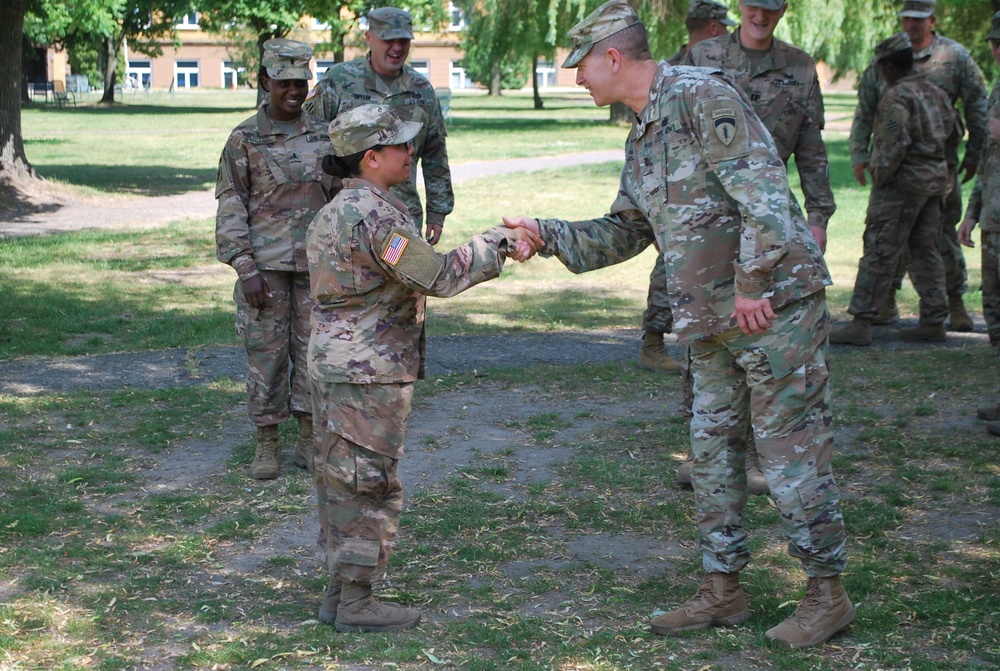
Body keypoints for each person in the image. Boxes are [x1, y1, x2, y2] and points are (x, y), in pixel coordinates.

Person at [503, 0, 852, 649]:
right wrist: (545, 235)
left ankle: (828, 595)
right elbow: (627, 231)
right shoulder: (641, 135)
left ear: (611, 57)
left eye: (579, 64)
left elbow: (767, 192)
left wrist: (751, 285)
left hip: (772, 308)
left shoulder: (698, 95)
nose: (575, 77)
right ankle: (723, 588)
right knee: (713, 453)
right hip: (712, 321)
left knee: (789, 456)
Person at [306, 104, 540, 632]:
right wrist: (497, 241)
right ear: (371, 158)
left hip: (339, 366)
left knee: (341, 479)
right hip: (368, 372)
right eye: (400, 145)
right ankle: (357, 603)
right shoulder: (374, 217)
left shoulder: (336, 210)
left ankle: (341, 592)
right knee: (368, 482)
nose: (411, 152)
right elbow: (436, 275)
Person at [681, 0, 834, 495]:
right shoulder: (700, 55)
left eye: (770, 7)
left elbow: (810, 145)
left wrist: (818, 216)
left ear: (782, 10)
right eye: (752, 5)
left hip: (766, 220)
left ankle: (764, 455)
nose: (760, 15)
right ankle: (709, 451)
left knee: (764, 332)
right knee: (706, 334)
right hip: (705, 219)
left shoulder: (799, 66)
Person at [215, 38, 334, 480]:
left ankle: (307, 439)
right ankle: (267, 443)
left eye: (301, 81)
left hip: (317, 269)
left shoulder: (325, 135)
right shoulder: (244, 139)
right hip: (264, 271)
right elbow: (231, 206)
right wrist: (245, 268)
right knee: (265, 355)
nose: (294, 90)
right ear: (264, 81)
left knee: (312, 354)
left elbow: (342, 198)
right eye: (284, 82)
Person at [850, 0, 988, 332]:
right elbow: (864, 109)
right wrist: (859, 153)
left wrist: (972, 156)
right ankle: (920, 314)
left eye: (919, 19)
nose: (912, 25)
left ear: (932, 20)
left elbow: (975, 108)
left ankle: (868, 319)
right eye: (907, 18)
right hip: (936, 175)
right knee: (922, 245)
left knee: (894, 242)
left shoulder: (951, 58)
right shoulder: (912, 76)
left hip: (909, 179)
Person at [830, 34, 955, 346]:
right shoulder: (936, 91)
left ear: (887, 66)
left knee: (878, 250)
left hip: (901, 185)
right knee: (926, 250)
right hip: (934, 182)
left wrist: (882, 176)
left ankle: (861, 321)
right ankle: (934, 319)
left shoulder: (896, 97)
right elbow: (956, 130)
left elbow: (891, 143)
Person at [303, 6, 453, 246]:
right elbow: (312, 146)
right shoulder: (338, 82)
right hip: (347, 217)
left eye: (403, 40)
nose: (397, 47)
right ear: (369, 38)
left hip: (401, 217)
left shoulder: (422, 90)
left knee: (403, 278)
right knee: (353, 280)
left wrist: (438, 211)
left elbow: (435, 155)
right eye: (388, 39)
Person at [640, 0, 734, 374]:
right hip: (680, 183)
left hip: (687, 182)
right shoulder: (688, 69)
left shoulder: (670, 66)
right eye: (724, 25)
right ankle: (654, 340)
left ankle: (684, 340)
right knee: (672, 262)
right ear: (713, 27)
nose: (728, 32)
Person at [960, 12, 1000, 438]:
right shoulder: (999, 88)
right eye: (995, 42)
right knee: (995, 314)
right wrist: (971, 213)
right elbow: (989, 161)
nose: (997, 49)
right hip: (993, 216)